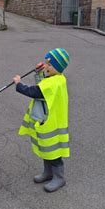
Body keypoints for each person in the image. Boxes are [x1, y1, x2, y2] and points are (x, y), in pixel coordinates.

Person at [13, 48, 70, 193]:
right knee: (46, 149)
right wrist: (39, 73)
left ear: (58, 67)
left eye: (49, 65)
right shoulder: (55, 79)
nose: (46, 66)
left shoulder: (55, 83)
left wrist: (19, 84)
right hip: (47, 120)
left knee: (53, 151)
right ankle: (48, 173)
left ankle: (59, 178)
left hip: (51, 122)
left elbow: (35, 92)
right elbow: (42, 87)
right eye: (46, 64)